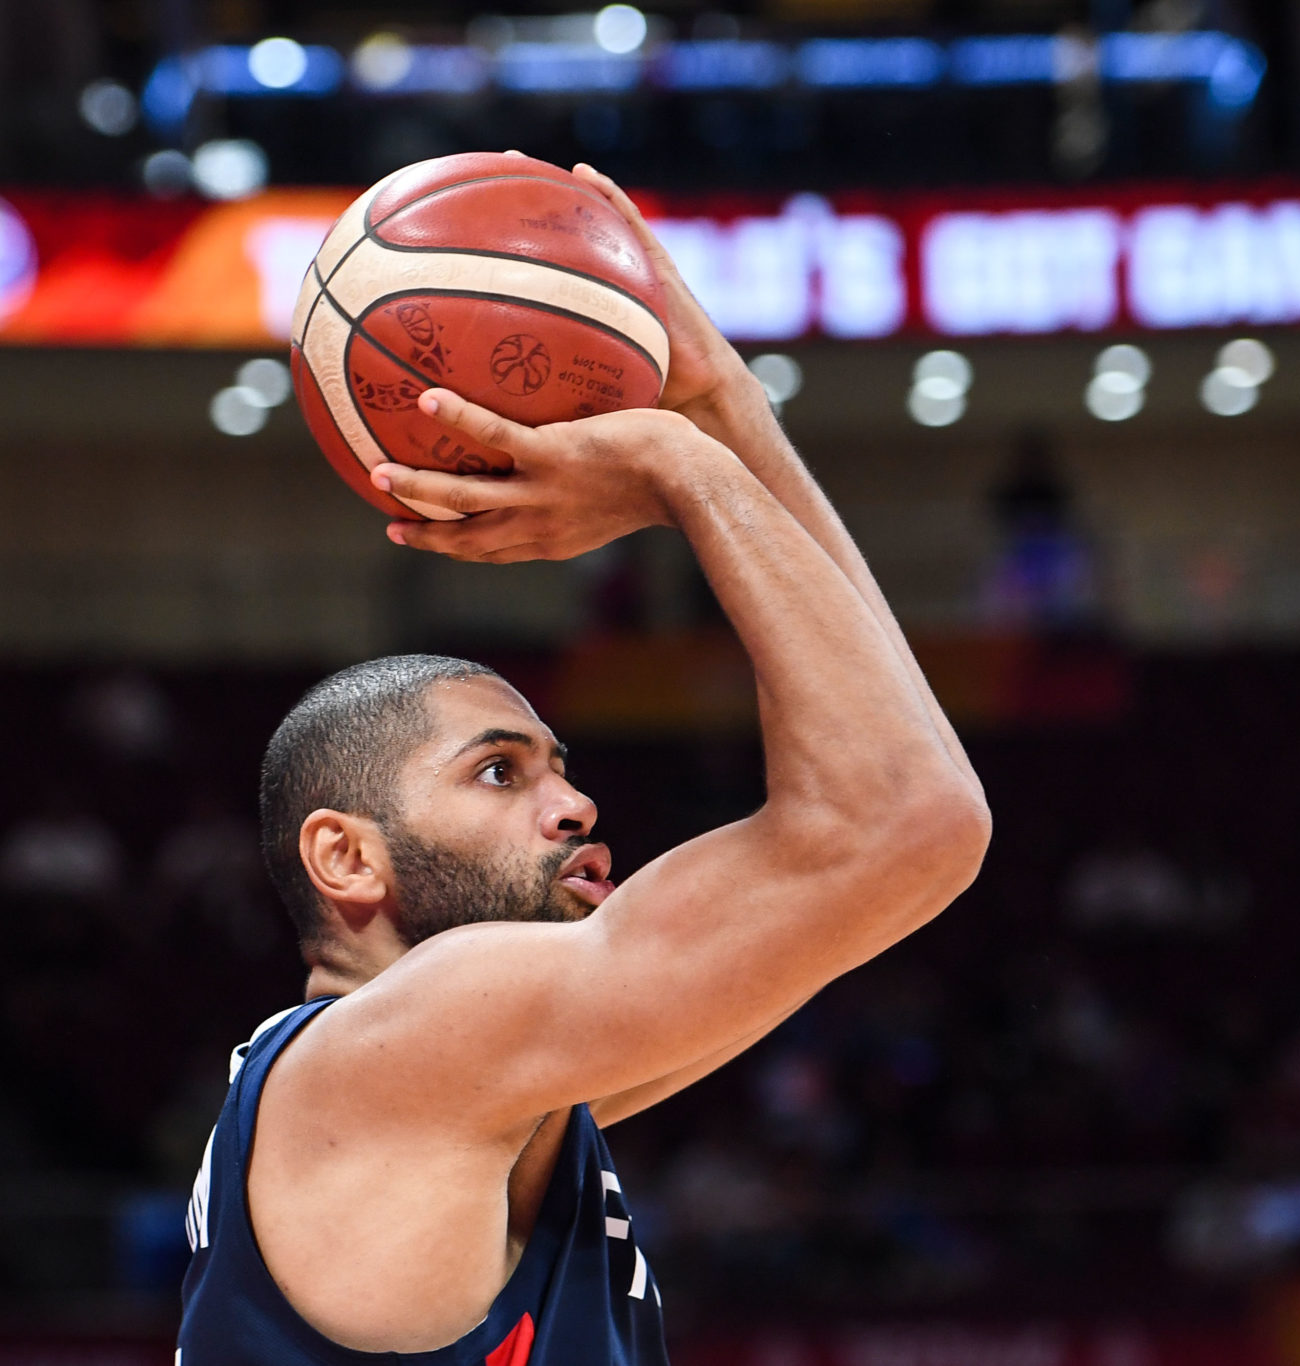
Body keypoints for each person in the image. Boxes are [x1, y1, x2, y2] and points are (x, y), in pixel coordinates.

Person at [177, 162, 991, 1366]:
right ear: (343, 856)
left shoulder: (473, 1096)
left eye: (557, 766)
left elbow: (904, 810)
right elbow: (910, 820)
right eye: (498, 773)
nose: (574, 803)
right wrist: (681, 462)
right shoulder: (410, 1045)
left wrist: (721, 406)